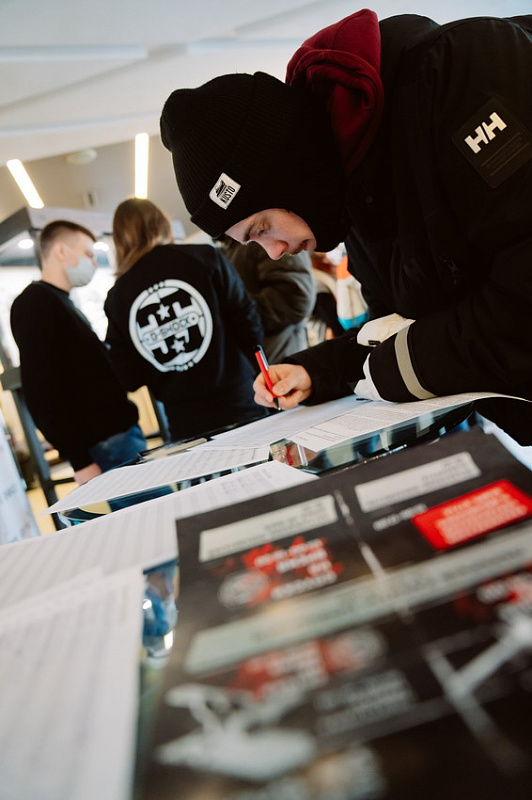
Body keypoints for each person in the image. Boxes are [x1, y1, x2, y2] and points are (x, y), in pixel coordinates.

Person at [159, 10, 532, 444]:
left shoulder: (462, 70)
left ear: (288, 173)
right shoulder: (351, 195)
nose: (274, 251)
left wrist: (391, 370)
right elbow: (396, 327)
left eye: (261, 227)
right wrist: (316, 371)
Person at [104, 198, 266, 442]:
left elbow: (128, 376)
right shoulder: (206, 257)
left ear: (120, 239)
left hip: (184, 420)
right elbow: (249, 324)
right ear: (162, 224)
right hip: (239, 398)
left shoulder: (117, 297)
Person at [10, 220, 145, 485]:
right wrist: (79, 460)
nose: (93, 262)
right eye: (88, 254)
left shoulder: (59, 301)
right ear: (61, 251)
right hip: (105, 443)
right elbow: (40, 391)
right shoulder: (36, 303)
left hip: (117, 436)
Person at [220, 237, 315, 362]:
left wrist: (235, 313)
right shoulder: (230, 246)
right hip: (262, 356)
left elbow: (294, 300)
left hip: (281, 354)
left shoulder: (259, 236)